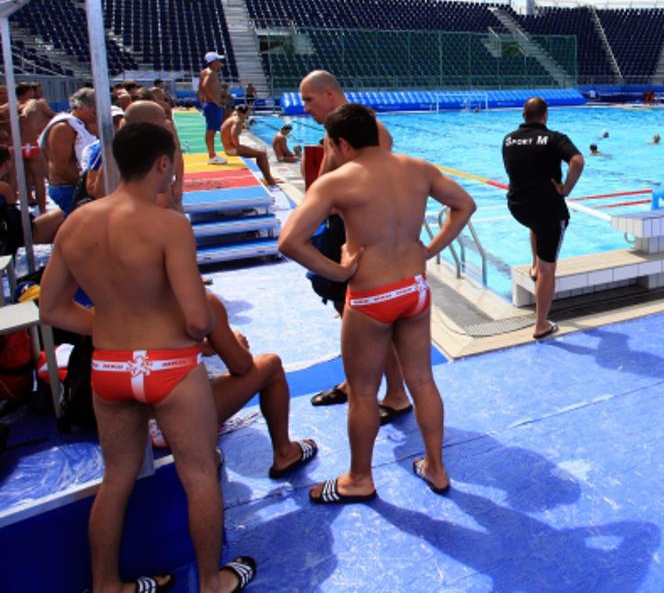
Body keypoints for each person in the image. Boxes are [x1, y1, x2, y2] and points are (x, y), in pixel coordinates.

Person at [38, 122, 256, 592]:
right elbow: (198, 320)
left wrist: (114, 327)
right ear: (162, 163)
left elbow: (51, 308)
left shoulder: (76, 221)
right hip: (169, 367)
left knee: (116, 478)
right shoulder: (168, 225)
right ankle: (212, 580)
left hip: (110, 366)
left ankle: (105, 585)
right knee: (197, 471)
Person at [279, 104, 475, 503]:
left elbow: (289, 241)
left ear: (341, 143)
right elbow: (465, 205)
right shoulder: (418, 168)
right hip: (414, 288)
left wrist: (338, 272)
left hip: (371, 295)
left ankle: (359, 478)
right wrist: (431, 249)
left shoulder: (337, 182)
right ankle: (436, 467)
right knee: (422, 380)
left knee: (364, 392)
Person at [298, 70, 411, 420]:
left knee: (374, 316)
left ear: (330, 94)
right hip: (341, 232)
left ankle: (395, 394)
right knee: (349, 312)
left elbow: (375, 181)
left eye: (309, 99)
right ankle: (357, 381)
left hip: (360, 239)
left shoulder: (370, 130)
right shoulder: (337, 131)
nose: (305, 108)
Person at [146, 291, 318, 480]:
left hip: (129, 420)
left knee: (117, 479)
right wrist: (228, 342)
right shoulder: (199, 300)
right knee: (271, 364)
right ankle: (285, 452)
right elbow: (241, 365)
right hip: (179, 420)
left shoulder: (117, 294)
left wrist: (201, 346)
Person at [503, 97, 584, 340]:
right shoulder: (554, 138)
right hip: (548, 209)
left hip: (518, 206)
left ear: (524, 115)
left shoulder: (508, 139)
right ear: (544, 116)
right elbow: (578, 161)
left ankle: (534, 264)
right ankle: (541, 325)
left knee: (535, 223)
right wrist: (566, 188)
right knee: (550, 268)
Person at [84, 101, 185, 210]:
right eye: (163, 120)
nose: (168, 123)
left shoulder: (161, 145)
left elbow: (176, 154)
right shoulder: (114, 151)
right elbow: (98, 191)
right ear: (152, 123)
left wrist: (178, 182)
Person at [39, 87, 98, 215]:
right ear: (80, 107)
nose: (97, 116)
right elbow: (61, 166)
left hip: (76, 185)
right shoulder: (63, 128)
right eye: (94, 112)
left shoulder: (83, 125)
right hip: (67, 187)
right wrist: (86, 186)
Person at [16, 82, 53, 211]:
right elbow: (31, 111)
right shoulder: (34, 103)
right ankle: (42, 209)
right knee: (39, 179)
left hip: (18, 145)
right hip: (31, 145)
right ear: (29, 92)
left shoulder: (10, 106)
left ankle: (29, 201)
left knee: (24, 176)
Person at [221, 106, 278, 186]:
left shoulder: (234, 116)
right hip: (232, 149)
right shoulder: (238, 120)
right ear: (243, 113)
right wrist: (238, 146)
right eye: (248, 112)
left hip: (228, 146)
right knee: (262, 154)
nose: (249, 114)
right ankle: (270, 180)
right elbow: (233, 133)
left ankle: (268, 177)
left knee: (261, 151)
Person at [199, 52, 228, 164]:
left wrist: (204, 100)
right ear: (214, 61)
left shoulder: (205, 72)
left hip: (209, 104)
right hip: (212, 105)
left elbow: (201, 88)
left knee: (211, 130)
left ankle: (212, 154)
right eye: (218, 61)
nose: (220, 63)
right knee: (211, 131)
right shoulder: (211, 73)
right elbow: (204, 86)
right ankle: (212, 156)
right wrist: (215, 101)